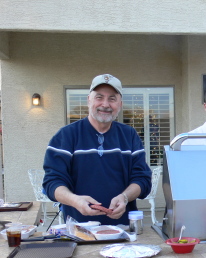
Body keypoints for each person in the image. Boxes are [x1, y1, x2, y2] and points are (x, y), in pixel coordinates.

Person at [43, 74, 152, 225]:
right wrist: (75, 201)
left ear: (120, 104)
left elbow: (142, 179)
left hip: (123, 231)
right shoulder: (66, 136)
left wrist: (125, 197)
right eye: (99, 97)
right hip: (78, 229)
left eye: (112, 99)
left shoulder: (129, 135)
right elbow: (52, 182)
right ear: (89, 100)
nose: (105, 104)